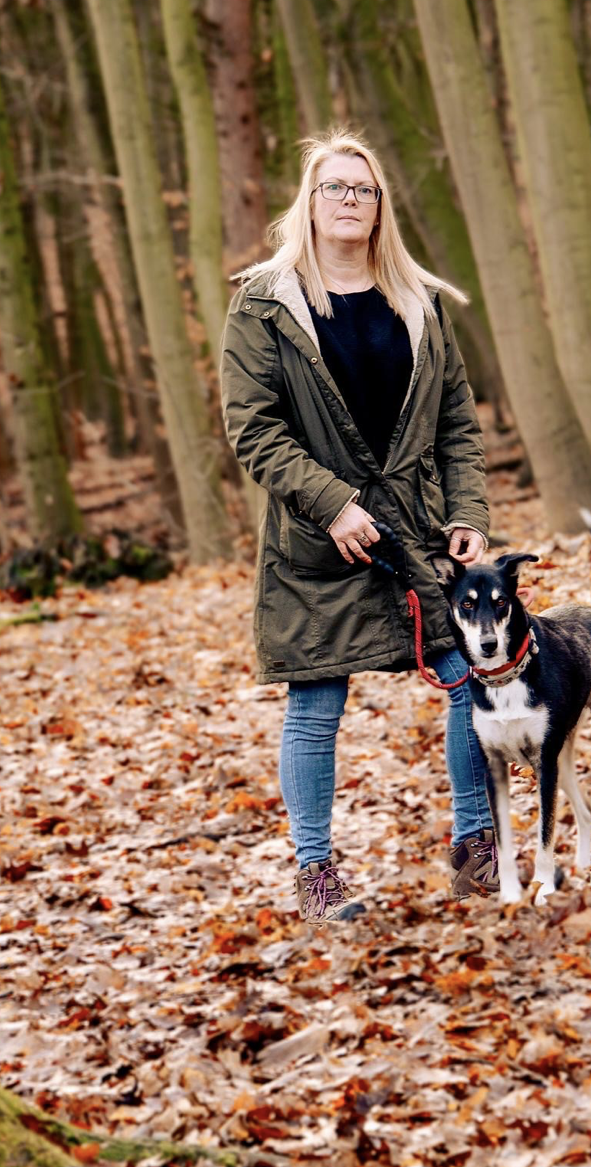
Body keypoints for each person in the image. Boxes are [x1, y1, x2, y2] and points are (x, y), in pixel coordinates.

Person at [220, 128, 498, 922]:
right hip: (318, 541)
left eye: (364, 189)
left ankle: (476, 844)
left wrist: (468, 515)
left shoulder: (419, 304)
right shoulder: (265, 305)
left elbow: (457, 428)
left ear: (381, 208)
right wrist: (332, 503)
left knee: (467, 678)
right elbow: (255, 430)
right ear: (307, 203)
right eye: (335, 188)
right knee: (314, 708)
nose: (350, 201)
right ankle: (316, 875)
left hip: (414, 533)